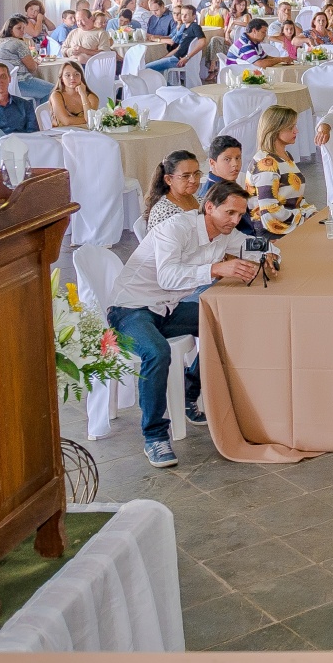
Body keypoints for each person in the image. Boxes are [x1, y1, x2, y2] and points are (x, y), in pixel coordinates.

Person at [109, 180, 266, 466]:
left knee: (226, 323)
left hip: (167, 308)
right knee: (157, 352)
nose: (235, 221)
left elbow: (251, 246)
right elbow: (167, 277)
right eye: (230, 213)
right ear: (210, 207)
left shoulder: (224, 232)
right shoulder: (176, 228)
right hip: (130, 309)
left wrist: (271, 257)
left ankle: (188, 392)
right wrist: (216, 268)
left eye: (240, 215)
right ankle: (154, 437)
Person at [243, 106, 317, 236]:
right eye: (290, 127)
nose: (296, 131)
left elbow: (295, 198)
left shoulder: (285, 156)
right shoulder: (266, 164)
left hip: (289, 223)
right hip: (272, 232)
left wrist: (311, 213)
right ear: (275, 130)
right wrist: (302, 219)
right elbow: (269, 211)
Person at [0, 16, 54, 102]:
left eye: (23, 28)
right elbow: (32, 68)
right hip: (21, 82)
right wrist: (35, 62)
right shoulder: (18, 43)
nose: (23, 31)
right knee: (55, 91)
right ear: (10, 30)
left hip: (5, 84)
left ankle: (34, 108)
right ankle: (42, 111)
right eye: (19, 28)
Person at [143, 150, 203, 233]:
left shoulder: (199, 200)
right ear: (168, 179)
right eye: (185, 176)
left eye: (196, 174)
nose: (193, 180)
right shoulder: (164, 212)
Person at [49, 60, 96, 128]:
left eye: (76, 74)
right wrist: (86, 119)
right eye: (68, 75)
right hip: (62, 133)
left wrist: (83, 95)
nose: (72, 78)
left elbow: (91, 121)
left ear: (81, 77)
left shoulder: (91, 97)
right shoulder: (56, 95)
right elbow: (66, 121)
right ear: (62, 79)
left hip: (86, 133)